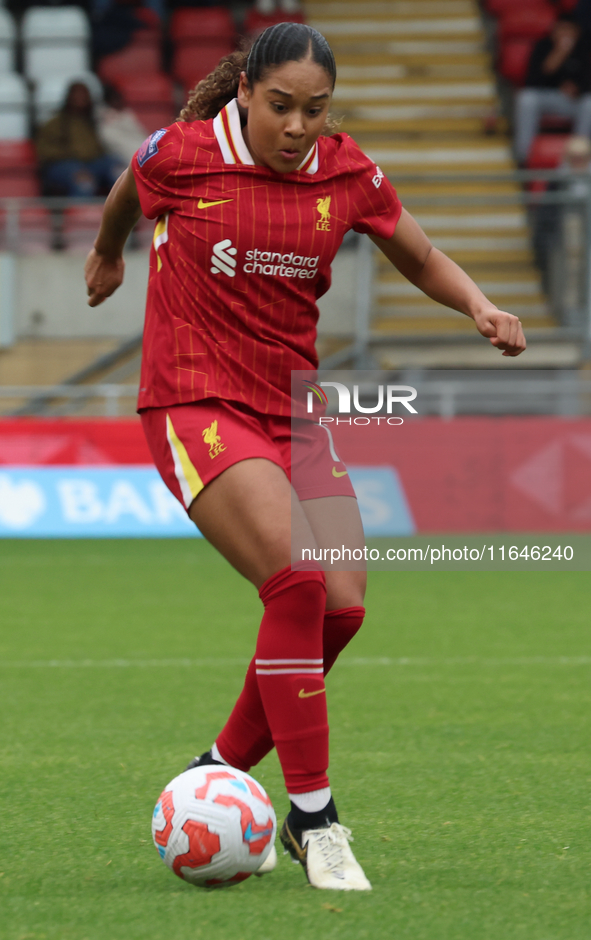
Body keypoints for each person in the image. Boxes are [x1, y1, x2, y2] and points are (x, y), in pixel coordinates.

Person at [84, 23, 526, 892]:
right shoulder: (183, 154)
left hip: (293, 412)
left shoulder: (345, 171)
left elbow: (418, 251)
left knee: (343, 607)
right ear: (244, 92)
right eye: (281, 106)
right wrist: (108, 252)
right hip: (194, 396)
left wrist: (477, 305)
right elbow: (125, 194)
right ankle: (315, 818)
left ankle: (215, 766)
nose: (297, 127)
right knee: (297, 582)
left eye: (314, 111)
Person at [514, 14, 591, 164]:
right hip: (547, 98)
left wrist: (576, 90)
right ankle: (523, 157)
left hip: (571, 101)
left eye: (570, 30)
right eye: (562, 29)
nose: (565, 34)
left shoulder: (582, 49)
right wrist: (559, 54)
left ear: (577, 32)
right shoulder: (542, 46)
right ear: (554, 30)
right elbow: (532, 81)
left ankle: (580, 155)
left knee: (589, 103)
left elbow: (587, 82)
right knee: (526, 98)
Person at [36, 82, 121, 197]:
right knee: (83, 181)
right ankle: (82, 214)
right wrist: (72, 154)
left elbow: (101, 147)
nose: (81, 99)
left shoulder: (94, 122)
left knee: (119, 172)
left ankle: (125, 212)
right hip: (64, 165)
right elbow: (45, 152)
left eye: (84, 95)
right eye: (77, 95)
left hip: (93, 163)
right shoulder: (55, 123)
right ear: (68, 97)